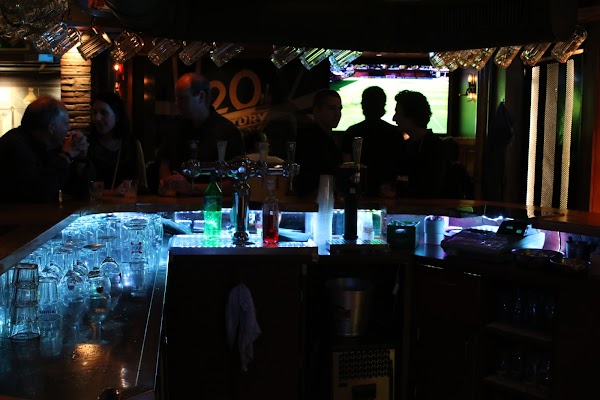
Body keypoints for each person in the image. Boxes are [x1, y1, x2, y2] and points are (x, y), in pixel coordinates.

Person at [157, 72, 245, 196]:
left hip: (213, 205)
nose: (177, 104)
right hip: (176, 203)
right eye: (176, 98)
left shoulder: (228, 132)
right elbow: (165, 161)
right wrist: (167, 183)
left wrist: (191, 188)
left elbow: (235, 183)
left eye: (182, 98)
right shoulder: (174, 126)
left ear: (201, 97)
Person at [0, 96, 92, 203]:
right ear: (52, 128)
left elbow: (80, 190)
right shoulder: (15, 145)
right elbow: (37, 193)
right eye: (66, 123)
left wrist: (80, 159)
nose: (69, 128)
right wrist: (66, 156)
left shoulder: (50, 145)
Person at [342, 86, 404, 198]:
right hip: (387, 194)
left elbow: (346, 167)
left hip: (358, 192)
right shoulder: (395, 133)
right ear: (383, 106)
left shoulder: (352, 132)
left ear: (363, 105)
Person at [86, 91, 148, 195]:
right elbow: (80, 187)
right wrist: (110, 192)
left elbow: (142, 184)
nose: (97, 118)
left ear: (117, 116)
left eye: (103, 113)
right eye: (94, 112)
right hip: (93, 204)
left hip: (125, 203)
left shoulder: (131, 144)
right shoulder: (87, 144)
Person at [393, 90, 448, 198]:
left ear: (411, 117)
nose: (394, 118)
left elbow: (429, 189)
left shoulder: (434, 147)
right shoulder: (409, 144)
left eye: (398, 113)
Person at [294, 89, 344, 198]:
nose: (337, 114)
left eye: (339, 109)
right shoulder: (307, 139)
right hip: (314, 200)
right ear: (317, 111)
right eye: (331, 108)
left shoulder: (326, 139)